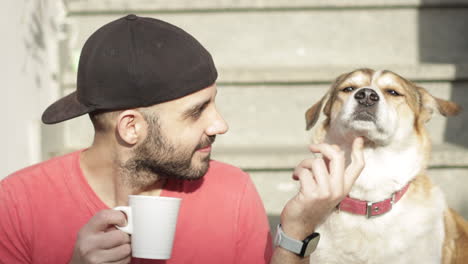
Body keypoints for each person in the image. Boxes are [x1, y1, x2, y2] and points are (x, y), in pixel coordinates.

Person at [0, 14, 364, 264]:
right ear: (131, 127)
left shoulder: (232, 192)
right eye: (196, 111)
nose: (220, 124)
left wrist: (297, 230)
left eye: (214, 103)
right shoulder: (17, 204)